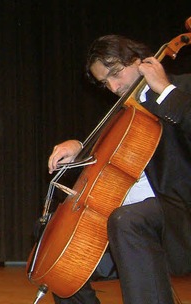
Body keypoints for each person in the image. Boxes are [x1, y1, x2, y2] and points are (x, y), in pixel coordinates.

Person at [48, 35, 191, 303]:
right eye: (105, 83)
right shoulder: (124, 111)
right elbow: (111, 156)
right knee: (57, 245)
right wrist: (80, 146)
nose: (114, 87)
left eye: (116, 74)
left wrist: (166, 91)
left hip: (177, 212)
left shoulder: (183, 88)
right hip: (126, 218)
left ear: (139, 59)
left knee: (128, 221)